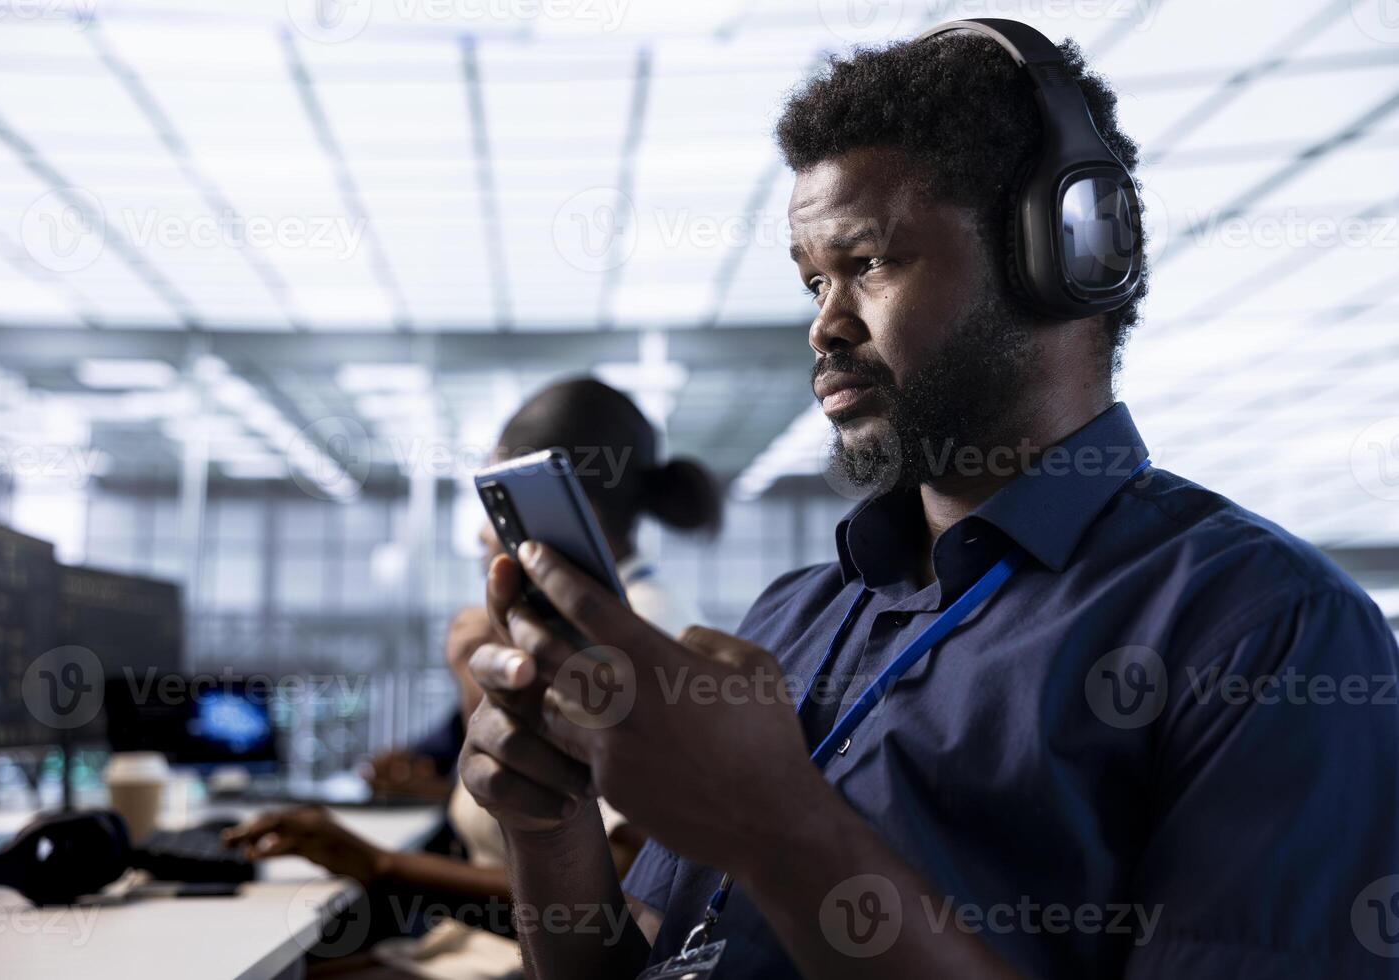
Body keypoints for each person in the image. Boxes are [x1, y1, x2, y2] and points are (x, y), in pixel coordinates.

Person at [455, 24, 1399, 980]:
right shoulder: (794, 614)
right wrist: (551, 830)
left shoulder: (1269, 633)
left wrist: (776, 825)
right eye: (814, 282)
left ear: (1059, 252)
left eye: (868, 263)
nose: (824, 325)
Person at [225, 377, 720, 941]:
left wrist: (380, 864)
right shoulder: (595, 617)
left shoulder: (631, 637)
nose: (486, 533)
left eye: (499, 502)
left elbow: (621, 892)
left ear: (562, 506)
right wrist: (449, 776)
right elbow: (558, 800)